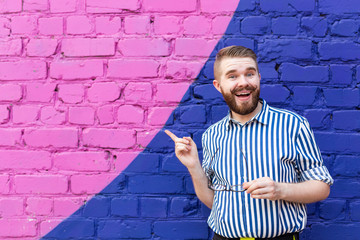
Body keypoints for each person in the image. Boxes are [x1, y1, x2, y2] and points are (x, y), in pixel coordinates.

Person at [165, 45, 333, 240]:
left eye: (250, 74)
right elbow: (215, 201)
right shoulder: (212, 135)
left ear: (259, 78)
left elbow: (322, 187)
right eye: (232, 76)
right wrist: (194, 166)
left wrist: (280, 189)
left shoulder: (292, 125)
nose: (243, 83)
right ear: (218, 86)